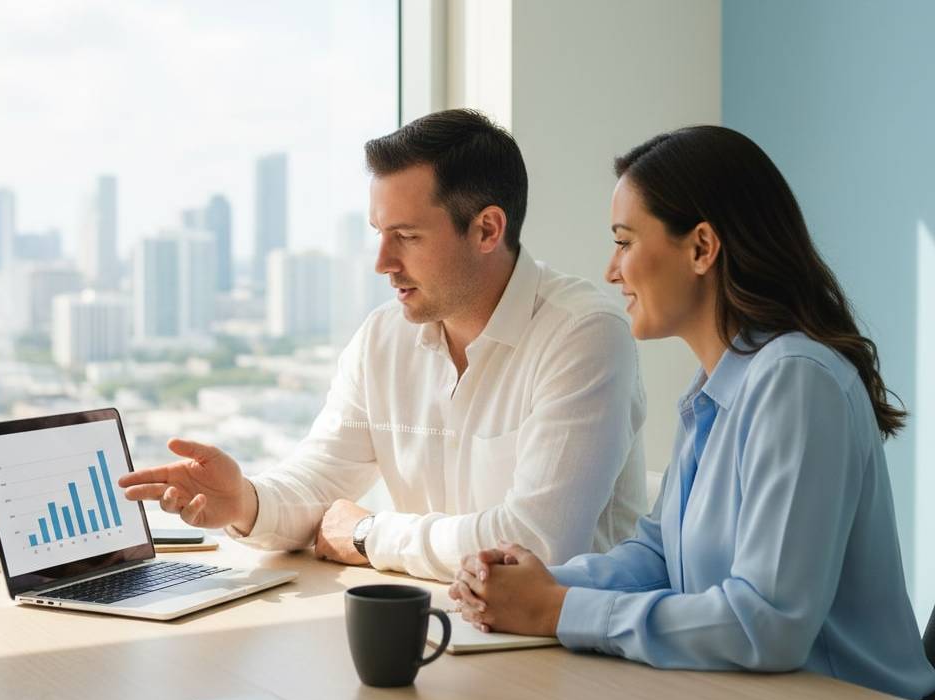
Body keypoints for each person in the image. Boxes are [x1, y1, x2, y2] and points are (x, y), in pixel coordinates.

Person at [450, 125, 935, 700]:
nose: (611, 270)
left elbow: (767, 624)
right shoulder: (718, 386)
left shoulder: (797, 380)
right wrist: (535, 584)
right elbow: (660, 555)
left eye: (625, 241)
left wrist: (558, 609)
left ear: (702, 248)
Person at [119, 109, 647, 582]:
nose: (382, 262)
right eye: (378, 233)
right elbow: (322, 479)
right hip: (446, 631)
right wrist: (245, 502)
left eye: (408, 237)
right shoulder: (382, 338)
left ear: (487, 229)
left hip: (567, 656)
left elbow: (536, 545)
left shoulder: (584, 334)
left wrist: (372, 535)